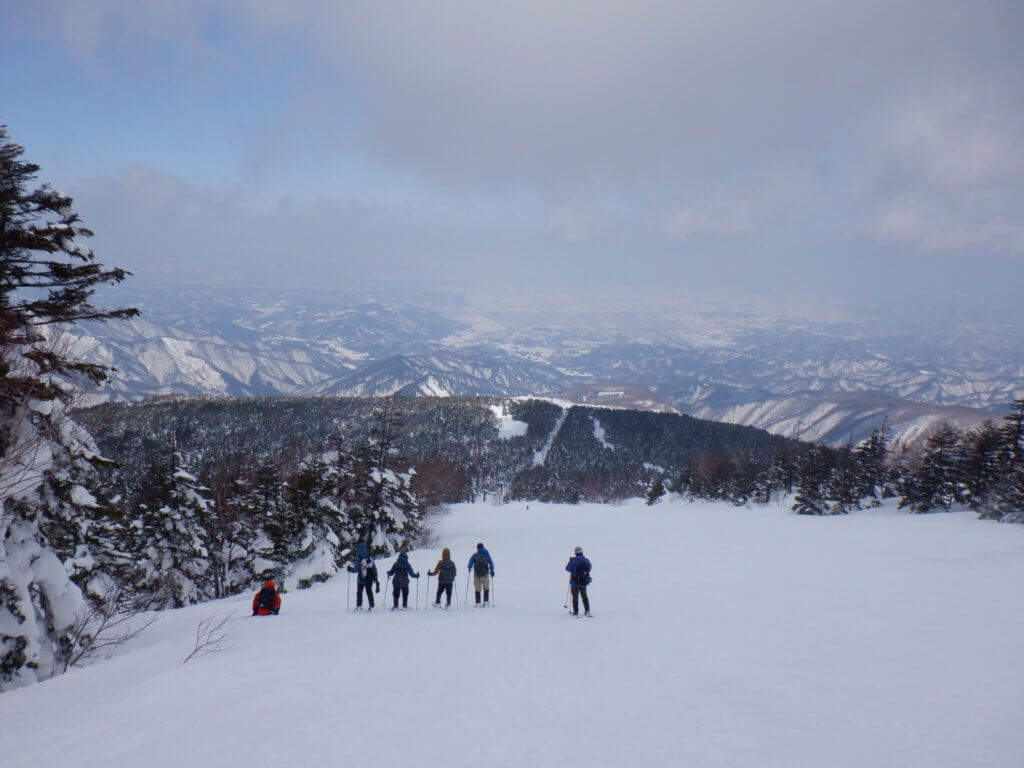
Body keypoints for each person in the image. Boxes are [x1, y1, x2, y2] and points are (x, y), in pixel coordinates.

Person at [347, 543, 379, 611]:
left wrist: (349, 569)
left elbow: (355, 570)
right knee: (369, 592)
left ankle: (359, 606)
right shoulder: (369, 558)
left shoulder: (358, 559)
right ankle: (372, 606)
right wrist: (375, 578)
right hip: (369, 578)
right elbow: (374, 569)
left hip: (360, 579)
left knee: (359, 592)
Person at [565, 546, 592, 617]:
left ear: (575, 553)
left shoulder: (574, 561)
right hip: (583, 582)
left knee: (575, 597)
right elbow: (590, 568)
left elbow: (567, 568)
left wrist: (570, 562)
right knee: (584, 596)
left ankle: (576, 612)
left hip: (575, 583)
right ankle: (587, 611)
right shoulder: (586, 561)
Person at [467, 542, 495, 606]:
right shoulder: (487, 554)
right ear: (483, 547)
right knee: (486, 587)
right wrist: (492, 571)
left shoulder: (475, 555)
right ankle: (486, 601)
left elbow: (470, 562)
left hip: (477, 574)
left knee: (477, 588)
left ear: (477, 548)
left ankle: (478, 602)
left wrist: (469, 568)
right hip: (485, 574)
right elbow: (491, 563)